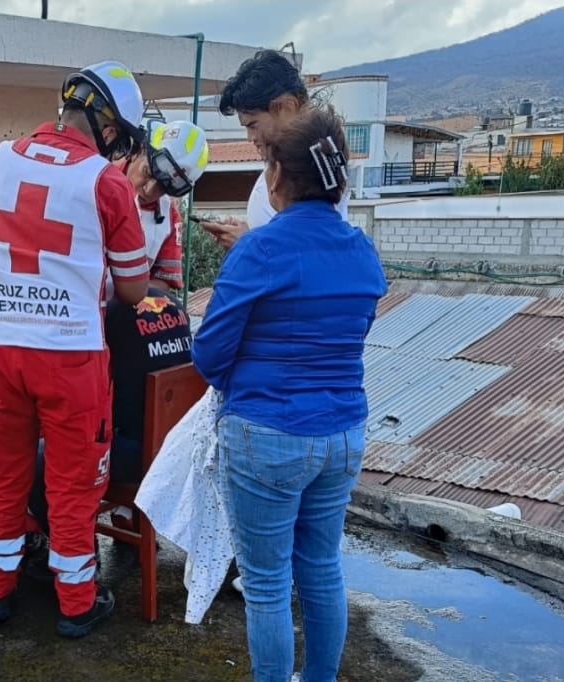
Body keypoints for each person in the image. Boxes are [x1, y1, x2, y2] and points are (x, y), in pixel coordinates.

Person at [190, 105, 388, 681]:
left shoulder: (259, 251)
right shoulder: (362, 251)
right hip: (343, 434)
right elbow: (351, 338)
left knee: (269, 584)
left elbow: (208, 356)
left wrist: (248, 382)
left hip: (267, 437)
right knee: (322, 567)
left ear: (276, 176)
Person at [0, 61, 150, 638]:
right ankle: (76, 603)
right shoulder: (107, 180)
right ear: (110, 126)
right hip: (69, 353)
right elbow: (134, 289)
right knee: (73, 485)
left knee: (2, 475)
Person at [26, 288, 193, 537]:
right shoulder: (174, 305)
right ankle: (125, 522)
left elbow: (87, 395)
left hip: (136, 457)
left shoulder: (106, 315)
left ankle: (75, 548)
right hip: (180, 447)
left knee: (37, 459)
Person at [198, 49, 349, 248]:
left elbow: (311, 254)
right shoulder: (285, 166)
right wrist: (248, 237)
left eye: (253, 125)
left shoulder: (320, 173)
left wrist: (247, 245)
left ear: (287, 107)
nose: (250, 138)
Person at [118, 119, 210, 291]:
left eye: (162, 187)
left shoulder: (169, 216)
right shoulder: (97, 181)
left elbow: (164, 281)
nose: (148, 189)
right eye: (146, 172)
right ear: (139, 151)